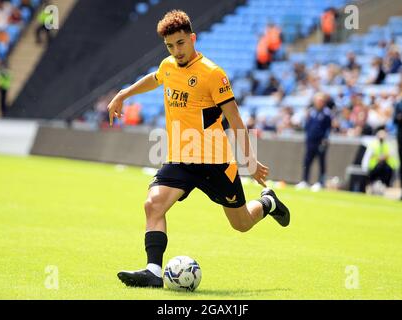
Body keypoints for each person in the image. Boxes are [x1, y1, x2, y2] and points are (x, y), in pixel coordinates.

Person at [106, 10, 290, 288]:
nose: (176, 51)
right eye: (170, 46)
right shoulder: (168, 66)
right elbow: (155, 78)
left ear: (192, 38)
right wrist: (123, 94)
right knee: (153, 204)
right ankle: (154, 271)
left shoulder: (212, 74)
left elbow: (236, 120)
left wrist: (250, 161)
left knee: (240, 223)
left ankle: (268, 203)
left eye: (181, 43)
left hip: (216, 162)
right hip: (180, 159)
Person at [295, 93, 332, 192]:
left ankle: (321, 182)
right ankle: (305, 180)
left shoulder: (327, 113)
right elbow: (307, 126)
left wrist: (325, 139)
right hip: (310, 141)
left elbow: (328, 128)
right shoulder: (311, 112)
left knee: (321, 162)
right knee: (307, 161)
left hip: (320, 141)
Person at [362, 130, 399, 194]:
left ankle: (383, 186)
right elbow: (369, 157)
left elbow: (391, 155)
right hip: (374, 168)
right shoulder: (373, 145)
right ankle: (373, 185)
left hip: (386, 168)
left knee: (384, 167)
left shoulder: (388, 145)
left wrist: (383, 157)